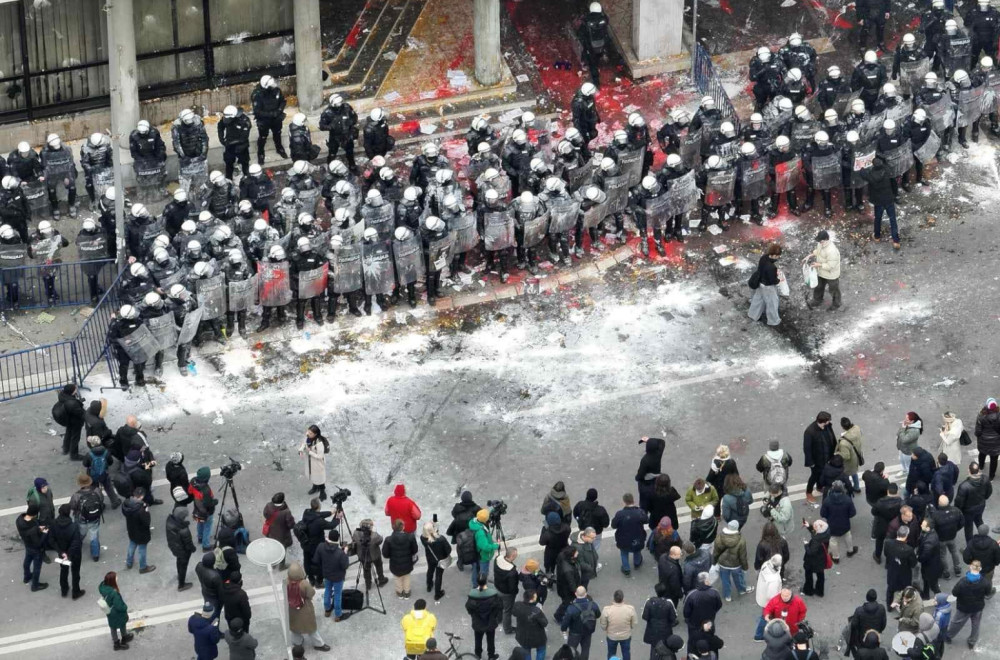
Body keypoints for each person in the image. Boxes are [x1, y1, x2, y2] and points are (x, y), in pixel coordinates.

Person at [286, 561, 329, 652]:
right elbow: (311, 593)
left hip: (292, 609)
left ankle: (297, 642)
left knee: (295, 628)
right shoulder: (304, 583)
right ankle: (319, 644)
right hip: (304, 608)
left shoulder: (286, 582)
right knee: (311, 628)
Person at [948, 559, 990, 650]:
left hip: (964, 608)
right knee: (976, 625)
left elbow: (954, 592)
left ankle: (949, 636)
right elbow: (987, 593)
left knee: (957, 622)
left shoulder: (963, 582)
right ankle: (972, 642)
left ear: (970, 567)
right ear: (980, 568)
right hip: (978, 607)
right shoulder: (985, 582)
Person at [860, 155, 900, 248]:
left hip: (878, 201)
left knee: (878, 219)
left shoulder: (871, 176)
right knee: (892, 219)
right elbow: (894, 184)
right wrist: (895, 195)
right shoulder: (887, 171)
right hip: (889, 199)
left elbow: (863, 174)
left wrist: (861, 166)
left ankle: (877, 236)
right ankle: (896, 241)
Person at [49, 503, 84, 599]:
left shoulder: (53, 524)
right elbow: (76, 543)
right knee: (75, 572)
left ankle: (64, 590)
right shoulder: (73, 527)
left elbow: (51, 540)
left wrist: (61, 552)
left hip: (62, 552)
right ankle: (75, 592)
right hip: (74, 554)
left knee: (63, 571)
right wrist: (68, 554)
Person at [313, 529, 349, 620]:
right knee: (337, 595)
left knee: (327, 591)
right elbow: (345, 566)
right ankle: (338, 615)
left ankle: (327, 610)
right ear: (337, 539)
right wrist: (345, 553)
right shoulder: (340, 553)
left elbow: (316, 560)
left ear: (328, 537)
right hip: (338, 577)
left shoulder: (321, 546)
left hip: (327, 574)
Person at [250, 75, 287, 164]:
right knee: (263, 137)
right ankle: (261, 153)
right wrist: (271, 114)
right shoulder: (257, 95)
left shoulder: (277, 90)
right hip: (264, 120)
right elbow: (257, 111)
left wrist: (279, 110)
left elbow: (283, 101)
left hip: (276, 118)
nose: (274, 85)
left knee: (277, 134)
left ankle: (279, 148)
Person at [713, 519, 752, 602]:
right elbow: (743, 556)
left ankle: (727, 595)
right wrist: (745, 568)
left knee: (725, 580)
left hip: (723, 563)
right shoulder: (741, 540)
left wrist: (714, 562)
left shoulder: (719, 537)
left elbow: (716, 551)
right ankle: (741, 590)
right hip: (736, 565)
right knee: (739, 578)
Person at [466, 573, 503, 660]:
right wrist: (494, 616)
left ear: (477, 582)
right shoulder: (493, 595)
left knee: (478, 640)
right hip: (490, 622)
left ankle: (477, 655)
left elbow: (469, 608)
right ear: (486, 581)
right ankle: (491, 656)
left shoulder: (472, 595)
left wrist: (473, 615)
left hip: (477, 622)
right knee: (490, 640)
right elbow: (499, 607)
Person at [803, 411, 837, 504]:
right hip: (816, 460)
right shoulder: (810, 432)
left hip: (827, 456)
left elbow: (832, 438)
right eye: (828, 420)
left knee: (823, 473)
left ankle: (819, 487)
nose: (829, 422)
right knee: (814, 476)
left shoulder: (827, 426)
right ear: (824, 421)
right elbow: (807, 449)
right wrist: (810, 462)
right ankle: (809, 492)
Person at [612, 492, 649, 576]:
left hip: (623, 538)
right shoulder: (639, 512)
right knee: (637, 551)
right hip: (638, 538)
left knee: (624, 553)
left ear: (624, 501)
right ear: (633, 500)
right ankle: (637, 563)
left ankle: (626, 569)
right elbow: (646, 520)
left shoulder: (620, 514)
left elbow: (613, 525)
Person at [821, 481, 858, 561]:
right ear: (842, 489)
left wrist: (829, 517)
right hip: (845, 524)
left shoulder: (827, 500)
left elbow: (823, 514)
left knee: (833, 540)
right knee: (848, 536)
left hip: (832, 525)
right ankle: (850, 551)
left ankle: (835, 557)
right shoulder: (847, 499)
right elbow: (853, 513)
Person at [956, 462, 992, 542]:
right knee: (979, 520)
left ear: (969, 470)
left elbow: (959, 502)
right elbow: (989, 492)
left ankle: (970, 546)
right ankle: (986, 539)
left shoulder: (964, 486)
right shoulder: (985, 479)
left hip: (968, 511)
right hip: (980, 506)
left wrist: (959, 511)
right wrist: (983, 499)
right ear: (978, 470)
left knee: (968, 528)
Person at [748, 243, 783, 326]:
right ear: (774, 255)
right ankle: (774, 321)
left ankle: (753, 315)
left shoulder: (764, 257)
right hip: (768, 287)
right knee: (772, 303)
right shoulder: (771, 267)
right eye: (778, 256)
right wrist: (778, 280)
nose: (778, 257)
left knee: (758, 300)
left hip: (760, 283)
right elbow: (772, 281)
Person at [562, 586, 601, 660]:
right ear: (586, 594)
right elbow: (598, 615)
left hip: (574, 633)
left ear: (576, 594)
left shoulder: (571, 608)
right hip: (588, 631)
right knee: (585, 650)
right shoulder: (593, 605)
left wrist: (563, 629)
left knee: (571, 651)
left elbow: (565, 621)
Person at [383, 519, 419, 598]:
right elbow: (415, 550)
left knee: (397, 579)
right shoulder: (410, 537)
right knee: (407, 578)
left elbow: (385, 554)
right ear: (402, 527)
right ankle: (407, 592)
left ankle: (400, 592)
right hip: (407, 563)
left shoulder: (388, 539)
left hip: (395, 564)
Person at [122, 488, 155, 574]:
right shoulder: (141, 509)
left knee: (132, 544)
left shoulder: (126, 504)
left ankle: (129, 562)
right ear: (142, 496)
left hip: (131, 530)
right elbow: (147, 522)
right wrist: (147, 512)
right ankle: (143, 567)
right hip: (141, 532)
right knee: (142, 549)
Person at [350, 518, 389, 589]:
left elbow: (354, 540)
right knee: (379, 566)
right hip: (375, 555)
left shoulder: (356, 533)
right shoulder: (374, 536)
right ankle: (381, 579)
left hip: (362, 556)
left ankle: (368, 584)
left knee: (366, 569)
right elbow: (380, 540)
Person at [683, 572, 722, 642]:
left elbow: (686, 612)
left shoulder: (691, 594)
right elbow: (719, 605)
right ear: (706, 581)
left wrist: (688, 619)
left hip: (694, 623)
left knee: (694, 639)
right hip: (709, 620)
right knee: (709, 637)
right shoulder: (714, 592)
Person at [99, 572, 133, 650]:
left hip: (109, 611)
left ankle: (116, 642)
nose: (117, 578)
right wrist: (125, 607)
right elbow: (119, 606)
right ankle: (123, 639)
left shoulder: (103, 587)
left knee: (113, 627)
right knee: (122, 624)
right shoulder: (114, 593)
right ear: (112, 581)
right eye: (116, 578)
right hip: (116, 613)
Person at [753, 555, 784, 641]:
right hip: (768, 602)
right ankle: (758, 636)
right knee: (766, 617)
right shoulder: (774, 580)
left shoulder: (766, 564)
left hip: (761, 594)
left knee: (764, 615)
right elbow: (772, 596)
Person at [884, 525, 917, 605]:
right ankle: (903, 605)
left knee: (890, 589)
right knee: (905, 590)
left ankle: (889, 605)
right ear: (906, 536)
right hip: (904, 575)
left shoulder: (888, 543)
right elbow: (913, 564)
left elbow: (886, 554)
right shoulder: (909, 550)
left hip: (892, 571)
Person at [166, 505, 197, 591]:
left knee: (179, 562)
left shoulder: (170, 521)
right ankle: (181, 585)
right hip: (183, 551)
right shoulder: (183, 529)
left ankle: (179, 576)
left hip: (175, 548)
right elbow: (188, 543)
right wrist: (193, 549)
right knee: (183, 566)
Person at [962, 524, 1000, 594]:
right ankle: (988, 593)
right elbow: (998, 557)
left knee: (975, 580)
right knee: (988, 581)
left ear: (978, 531)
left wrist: (971, 562)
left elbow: (966, 557)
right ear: (987, 532)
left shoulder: (971, 543)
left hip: (976, 567)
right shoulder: (993, 543)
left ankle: (976, 591)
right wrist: (995, 563)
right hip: (989, 568)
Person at [600, 589, 637, 660]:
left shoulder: (607, 610)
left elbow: (603, 626)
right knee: (626, 653)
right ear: (623, 598)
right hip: (625, 636)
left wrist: (606, 629)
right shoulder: (630, 609)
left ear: (613, 598)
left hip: (612, 636)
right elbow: (634, 624)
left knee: (611, 653)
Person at [512, 590, 548, 660]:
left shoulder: (518, 605)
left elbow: (513, 613)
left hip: (523, 636)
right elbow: (545, 623)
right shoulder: (537, 611)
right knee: (541, 650)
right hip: (538, 637)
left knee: (526, 652)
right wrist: (542, 612)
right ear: (533, 598)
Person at [421, 521, 451, 602]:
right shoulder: (441, 539)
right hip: (440, 560)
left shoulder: (422, 538)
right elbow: (448, 550)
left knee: (430, 570)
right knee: (439, 575)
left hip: (430, 558)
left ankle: (429, 585)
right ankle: (437, 594)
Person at [188, 467, 217, 552]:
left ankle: (200, 538)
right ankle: (206, 545)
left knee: (199, 523)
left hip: (197, 509)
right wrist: (215, 502)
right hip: (206, 513)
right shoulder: (206, 490)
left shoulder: (193, 481)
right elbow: (209, 504)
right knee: (207, 527)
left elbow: (189, 491)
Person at [298, 425, 329, 500]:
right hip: (310, 462)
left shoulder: (319, 443)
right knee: (313, 475)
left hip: (317, 464)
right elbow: (304, 443)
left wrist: (309, 452)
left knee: (320, 478)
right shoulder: (309, 437)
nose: (308, 434)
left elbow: (320, 456)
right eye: (308, 432)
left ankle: (322, 491)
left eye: (310, 433)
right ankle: (315, 487)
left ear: (315, 434)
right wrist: (301, 450)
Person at [56, 383, 86, 460]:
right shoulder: (72, 404)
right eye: (75, 389)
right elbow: (81, 413)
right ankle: (74, 455)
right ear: (72, 392)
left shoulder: (63, 395)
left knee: (68, 432)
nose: (76, 390)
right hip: (75, 420)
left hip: (68, 418)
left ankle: (66, 449)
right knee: (75, 437)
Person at [472, 508, 501, 586]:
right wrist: (496, 546)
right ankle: (481, 585)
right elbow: (485, 546)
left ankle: (475, 583)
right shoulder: (481, 532)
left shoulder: (474, 523)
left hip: (475, 552)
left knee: (475, 568)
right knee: (483, 571)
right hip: (482, 556)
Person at [802, 519, 830, 597]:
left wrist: (806, 545)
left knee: (808, 574)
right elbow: (816, 533)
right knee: (820, 575)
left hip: (812, 561)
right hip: (821, 559)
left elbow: (810, 552)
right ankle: (820, 591)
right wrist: (809, 527)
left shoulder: (815, 541)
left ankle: (808, 590)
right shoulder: (825, 534)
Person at [494, 547, 519, 634]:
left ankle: (498, 619)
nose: (516, 556)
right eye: (515, 555)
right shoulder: (512, 572)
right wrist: (515, 592)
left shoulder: (497, 559)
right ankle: (507, 629)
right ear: (512, 556)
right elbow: (512, 588)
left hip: (497, 587)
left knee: (499, 605)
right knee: (507, 611)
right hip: (507, 594)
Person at [975, 398, 1000, 480]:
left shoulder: (981, 416)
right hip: (996, 443)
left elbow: (978, 432)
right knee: (994, 460)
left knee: (982, 454)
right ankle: (991, 477)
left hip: (983, 441)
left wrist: (980, 437)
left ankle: (981, 467)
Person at [917, 517, 943, 599]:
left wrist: (918, 557)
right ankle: (926, 594)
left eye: (923, 525)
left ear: (928, 528)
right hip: (931, 565)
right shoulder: (930, 533)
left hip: (931, 567)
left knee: (933, 584)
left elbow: (924, 556)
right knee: (926, 581)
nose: (921, 525)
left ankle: (939, 597)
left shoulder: (930, 542)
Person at [836, 418, 864, 491]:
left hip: (849, 463)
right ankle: (857, 487)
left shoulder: (843, 442)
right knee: (854, 473)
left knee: (846, 476)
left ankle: (848, 488)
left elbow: (846, 456)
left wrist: (837, 453)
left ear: (842, 427)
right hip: (857, 456)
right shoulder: (857, 428)